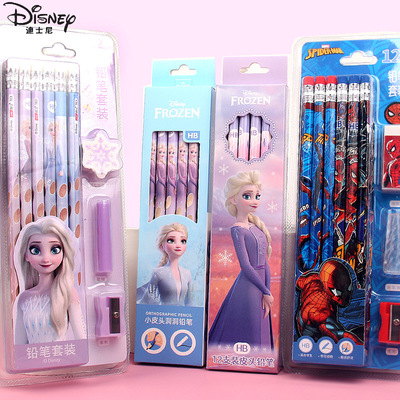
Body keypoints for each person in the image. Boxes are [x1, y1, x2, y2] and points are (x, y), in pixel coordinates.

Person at [208, 170, 274, 349]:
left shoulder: (255, 226)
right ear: (233, 199)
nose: (254, 201)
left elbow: (264, 262)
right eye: (247, 196)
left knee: (261, 321)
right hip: (248, 286)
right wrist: (265, 290)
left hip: (260, 284)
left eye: (257, 196)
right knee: (250, 324)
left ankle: (261, 357)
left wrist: (267, 290)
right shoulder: (238, 230)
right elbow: (245, 265)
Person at [13, 217, 86, 345]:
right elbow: (19, 345)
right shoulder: (24, 299)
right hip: (32, 356)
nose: (46, 258)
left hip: (61, 356)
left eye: (54, 250)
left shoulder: (67, 293)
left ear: (64, 253)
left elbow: (81, 340)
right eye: (36, 250)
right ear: (26, 255)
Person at [139, 222, 192, 306]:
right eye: (171, 241)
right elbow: (146, 301)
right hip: (163, 312)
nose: (178, 245)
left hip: (183, 314)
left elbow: (189, 303)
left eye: (183, 241)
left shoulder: (187, 273)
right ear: (162, 246)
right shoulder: (158, 273)